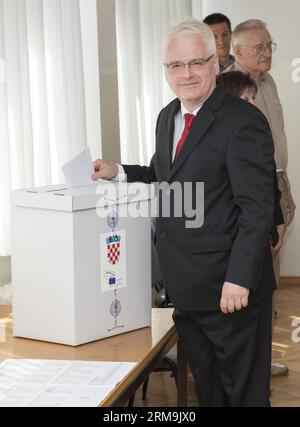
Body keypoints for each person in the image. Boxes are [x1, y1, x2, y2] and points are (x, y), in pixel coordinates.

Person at [92, 19, 276, 407]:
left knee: (242, 396)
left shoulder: (243, 122)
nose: (186, 73)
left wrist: (239, 279)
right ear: (166, 71)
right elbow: (165, 175)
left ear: (215, 63)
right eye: (176, 66)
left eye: (196, 62)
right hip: (186, 289)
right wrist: (119, 172)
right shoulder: (167, 117)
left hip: (231, 292)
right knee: (208, 393)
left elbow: (257, 209)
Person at [227, 19, 296, 376]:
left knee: (271, 274)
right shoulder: (231, 88)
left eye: (270, 46)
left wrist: (285, 191)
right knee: (252, 276)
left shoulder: (268, 82)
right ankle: (248, 361)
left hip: (276, 183)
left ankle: (263, 358)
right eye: (259, 47)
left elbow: (276, 143)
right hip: (253, 192)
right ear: (237, 52)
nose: (267, 53)